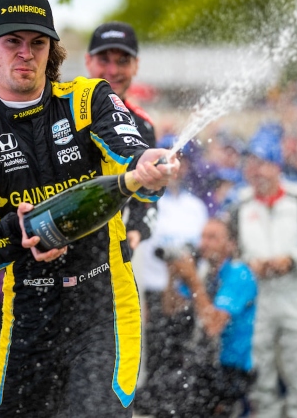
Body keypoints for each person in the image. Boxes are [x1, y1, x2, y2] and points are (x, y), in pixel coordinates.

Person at [0, 0, 179, 418]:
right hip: (29, 312)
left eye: (38, 43)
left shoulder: (89, 98)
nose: (26, 54)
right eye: (13, 42)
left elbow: (133, 156)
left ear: (52, 51)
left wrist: (148, 166)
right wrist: (20, 232)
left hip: (102, 304)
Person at [226, 133, 297, 417]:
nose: (256, 171)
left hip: (293, 293)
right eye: (251, 164)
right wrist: (250, 265)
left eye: (263, 163)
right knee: (260, 375)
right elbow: (230, 255)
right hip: (255, 301)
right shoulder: (238, 208)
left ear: (276, 167)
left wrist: (292, 261)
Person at [133, 135, 209, 415]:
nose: (177, 166)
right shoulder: (146, 202)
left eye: (181, 160)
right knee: (154, 362)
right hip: (154, 293)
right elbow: (142, 253)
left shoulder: (196, 207)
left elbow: (202, 253)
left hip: (187, 295)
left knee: (184, 361)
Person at [161, 218, 257, 417]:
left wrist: (193, 280)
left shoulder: (239, 273)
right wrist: (172, 275)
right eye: (203, 237)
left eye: (212, 237)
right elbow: (170, 309)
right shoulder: (205, 272)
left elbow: (213, 326)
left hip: (232, 368)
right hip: (205, 365)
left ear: (230, 244)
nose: (204, 243)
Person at [85, 21, 156, 251]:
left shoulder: (143, 125)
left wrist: (137, 229)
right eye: (104, 60)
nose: (113, 70)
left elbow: (148, 193)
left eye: (123, 61)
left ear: (136, 66)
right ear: (88, 61)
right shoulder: (62, 110)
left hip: (115, 251)